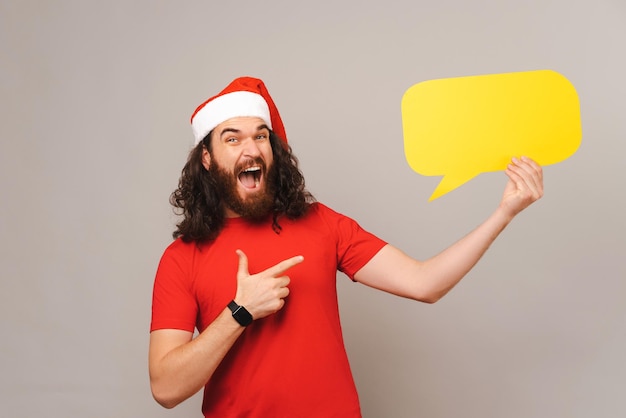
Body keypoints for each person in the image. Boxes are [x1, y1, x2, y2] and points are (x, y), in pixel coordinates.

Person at [149, 76, 544, 417]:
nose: (250, 149)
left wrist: (504, 213)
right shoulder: (182, 259)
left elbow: (425, 283)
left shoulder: (320, 223)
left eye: (260, 136)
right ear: (206, 158)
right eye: (231, 139)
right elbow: (166, 389)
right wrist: (239, 312)